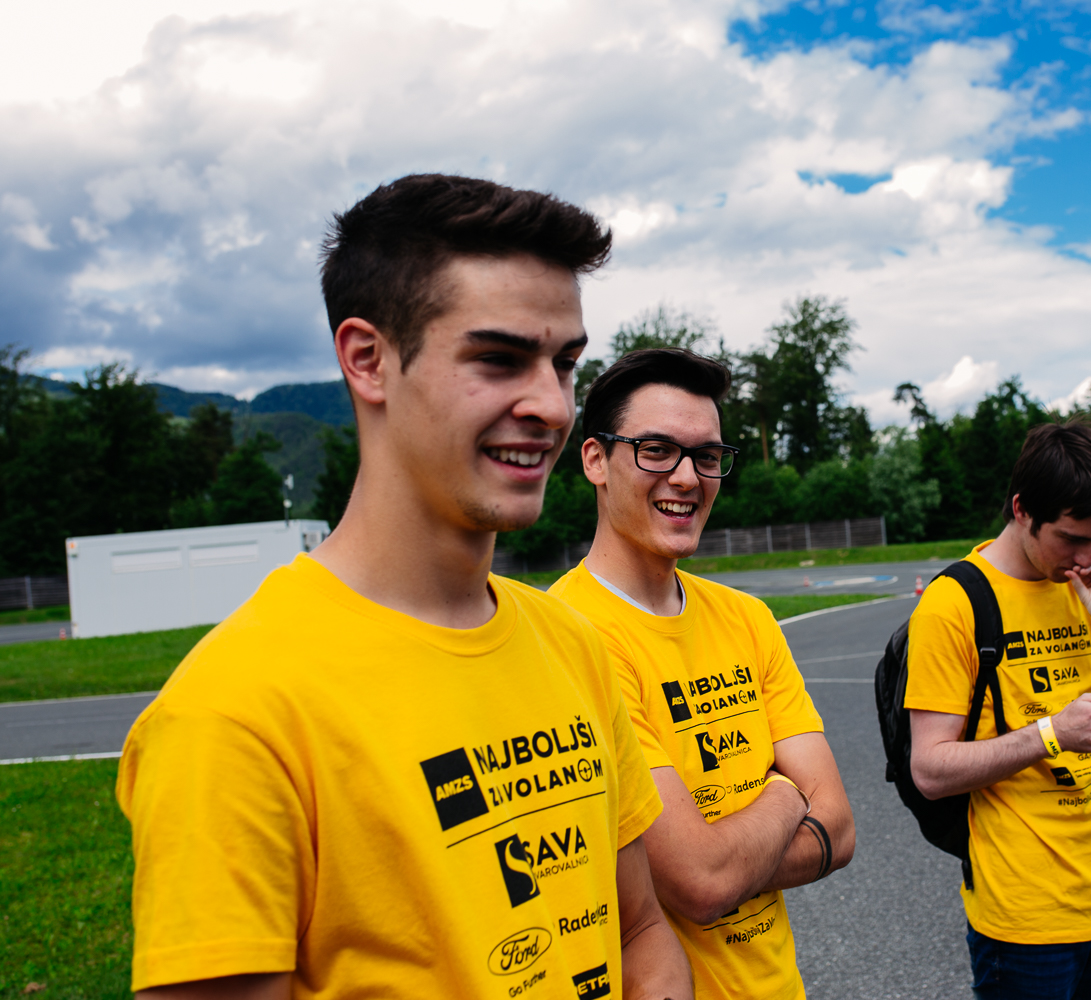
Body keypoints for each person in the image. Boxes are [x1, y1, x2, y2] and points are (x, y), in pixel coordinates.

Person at [116, 175, 692, 1000]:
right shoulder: (230, 716)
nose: (553, 405)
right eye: (498, 359)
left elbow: (639, 932)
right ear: (368, 360)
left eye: (565, 364)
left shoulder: (570, 643)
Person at [549, 349, 855, 999]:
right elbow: (700, 882)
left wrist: (728, 855)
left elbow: (841, 828)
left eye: (707, 456)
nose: (688, 478)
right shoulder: (567, 636)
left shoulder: (747, 618)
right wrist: (785, 795)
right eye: (657, 450)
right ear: (595, 459)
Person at [905, 420, 1091, 1000]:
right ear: (1022, 509)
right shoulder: (953, 604)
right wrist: (1052, 733)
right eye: (1071, 538)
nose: (1086, 557)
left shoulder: (1085, 591)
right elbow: (929, 770)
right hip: (1025, 918)